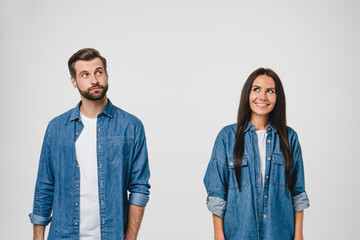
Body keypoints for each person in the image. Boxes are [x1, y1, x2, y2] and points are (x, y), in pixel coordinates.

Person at [29, 48, 151, 240]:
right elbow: (45, 185)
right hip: (63, 235)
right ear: (74, 81)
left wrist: (130, 238)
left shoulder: (131, 126)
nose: (94, 80)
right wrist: (38, 237)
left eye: (98, 72)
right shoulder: (56, 128)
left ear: (107, 75)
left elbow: (139, 188)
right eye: (85, 74)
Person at [204, 68, 309, 240]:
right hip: (238, 235)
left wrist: (299, 236)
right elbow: (216, 193)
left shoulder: (290, 138)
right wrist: (218, 235)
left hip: (280, 234)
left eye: (270, 91)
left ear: (277, 97)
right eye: (257, 89)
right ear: (248, 94)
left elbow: (297, 192)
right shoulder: (227, 137)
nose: (263, 97)